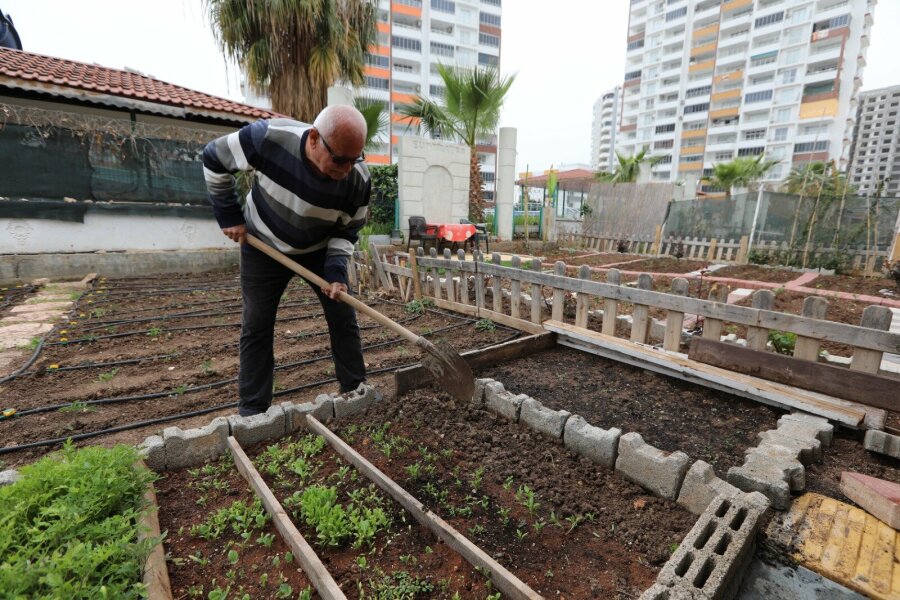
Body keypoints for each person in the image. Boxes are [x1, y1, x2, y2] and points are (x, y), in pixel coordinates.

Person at [203, 105, 371, 417]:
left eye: (354, 159)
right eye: (339, 159)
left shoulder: (359, 179)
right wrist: (229, 215)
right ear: (313, 139)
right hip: (263, 244)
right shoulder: (268, 138)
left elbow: (347, 231)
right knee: (257, 324)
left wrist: (335, 272)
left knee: (342, 317)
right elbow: (213, 157)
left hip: (318, 250)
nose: (347, 168)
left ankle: (355, 390)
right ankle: (253, 411)